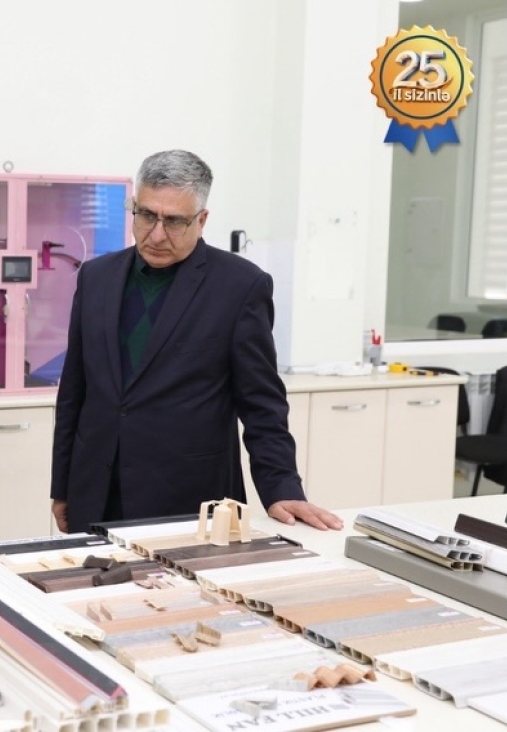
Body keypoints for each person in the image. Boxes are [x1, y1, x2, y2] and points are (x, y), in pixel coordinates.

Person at [51, 149, 343, 534]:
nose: (156, 234)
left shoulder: (240, 287)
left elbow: (261, 403)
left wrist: (282, 487)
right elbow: (74, 392)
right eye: (146, 215)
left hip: (189, 501)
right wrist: (63, 486)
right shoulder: (96, 277)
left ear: (202, 220)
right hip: (97, 492)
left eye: (174, 221)